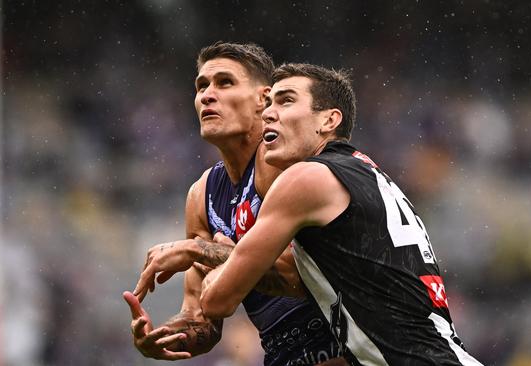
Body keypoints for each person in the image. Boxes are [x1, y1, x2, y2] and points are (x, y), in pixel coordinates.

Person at [183, 63, 481, 365]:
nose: (268, 114)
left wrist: (211, 259)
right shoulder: (364, 175)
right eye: (269, 103)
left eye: (286, 100)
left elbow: (217, 299)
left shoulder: (306, 178)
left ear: (329, 119)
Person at [125, 43, 344, 365]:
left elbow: (308, 276)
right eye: (202, 86)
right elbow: (203, 318)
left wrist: (202, 252)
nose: (207, 96)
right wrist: (171, 336)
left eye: (225, 82)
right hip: (284, 356)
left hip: (347, 349)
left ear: (264, 99)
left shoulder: (287, 165)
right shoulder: (201, 196)